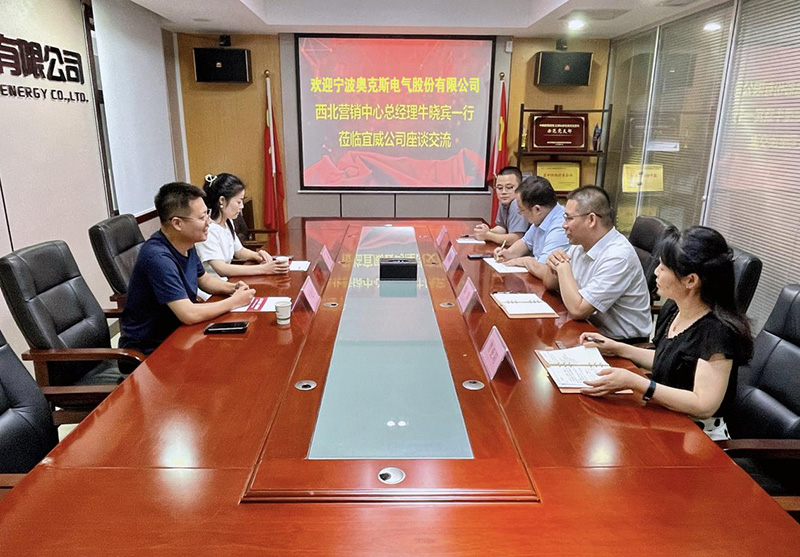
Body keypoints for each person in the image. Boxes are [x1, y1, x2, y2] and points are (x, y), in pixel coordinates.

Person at [579, 226, 753, 440]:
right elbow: (670, 359)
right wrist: (617, 348)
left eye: (663, 267)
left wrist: (638, 383)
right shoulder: (674, 309)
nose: (656, 272)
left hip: (698, 438)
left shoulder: (717, 332)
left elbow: (703, 405)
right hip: (664, 417)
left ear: (691, 280)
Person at [120, 182, 256, 356]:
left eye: (207, 214)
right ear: (177, 223)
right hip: (151, 352)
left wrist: (233, 288)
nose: (208, 222)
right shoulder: (158, 258)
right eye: (202, 217)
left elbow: (205, 280)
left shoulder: (186, 243)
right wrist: (234, 301)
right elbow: (189, 314)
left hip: (182, 336)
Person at [544, 185, 651, 342]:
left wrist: (563, 268)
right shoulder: (581, 244)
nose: (564, 225)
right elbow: (550, 284)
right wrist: (553, 262)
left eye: (569, 218)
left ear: (591, 220)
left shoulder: (618, 256)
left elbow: (578, 310)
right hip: (588, 330)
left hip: (620, 343)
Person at [196, 173, 289, 279]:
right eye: (239, 202)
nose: (242, 206)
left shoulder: (227, 221)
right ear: (222, 200)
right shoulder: (208, 229)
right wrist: (264, 269)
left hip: (227, 281)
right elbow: (221, 269)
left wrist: (258, 255)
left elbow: (239, 251)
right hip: (214, 286)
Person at [493, 175, 569, 280]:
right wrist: (508, 253)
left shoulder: (561, 227)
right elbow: (525, 242)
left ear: (537, 209)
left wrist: (526, 261)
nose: (520, 214)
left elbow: (545, 269)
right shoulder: (542, 217)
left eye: (521, 210)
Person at [473, 166, 528, 245]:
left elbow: (515, 239)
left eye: (509, 187)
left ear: (520, 188)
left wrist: (488, 235)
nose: (503, 192)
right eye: (499, 188)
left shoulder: (517, 204)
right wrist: (487, 231)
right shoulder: (505, 200)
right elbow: (502, 228)